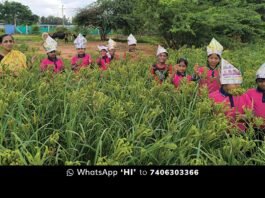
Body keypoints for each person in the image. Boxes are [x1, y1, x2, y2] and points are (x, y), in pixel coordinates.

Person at [209, 59, 252, 132]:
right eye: (234, 83)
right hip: (219, 134)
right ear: (224, 83)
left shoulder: (243, 95)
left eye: (239, 83)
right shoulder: (212, 97)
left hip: (241, 134)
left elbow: (252, 113)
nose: (238, 86)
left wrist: (245, 117)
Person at [246, 63, 265, 136]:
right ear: (256, 82)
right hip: (254, 128)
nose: (263, 84)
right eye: (260, 81)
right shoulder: (250, 92)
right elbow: (245, 108)